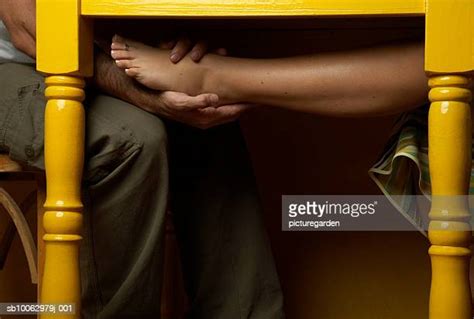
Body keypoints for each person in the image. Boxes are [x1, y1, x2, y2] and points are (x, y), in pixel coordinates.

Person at [0, 1, 285, 318]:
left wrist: (177, 54)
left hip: (96, 50)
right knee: (129, 140)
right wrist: (141, 92)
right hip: (15, 60)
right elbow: (32, 27)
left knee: (206, 113)